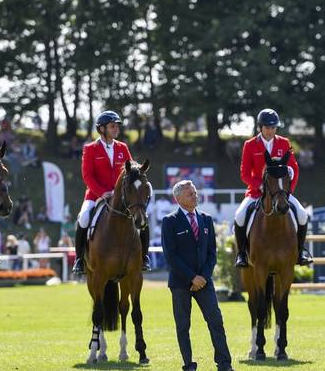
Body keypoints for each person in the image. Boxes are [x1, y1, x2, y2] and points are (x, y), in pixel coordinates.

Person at [161, 180, 233, 371]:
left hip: (205, 281)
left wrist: (203, 277)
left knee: (216, 321)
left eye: (195, 192)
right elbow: (171, 255)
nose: (195, 196)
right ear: (178, 198)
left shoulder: (206, 219)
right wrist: (192, 278)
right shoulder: (170, 221)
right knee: (183, 326)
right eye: (190, 194)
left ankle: (224, 364)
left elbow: (212, 253)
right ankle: (189, 364)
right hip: (180, 283)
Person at [72, 110, 151, 275]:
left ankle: (144, 257)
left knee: (143, 218)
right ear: (102, 129)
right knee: (84, 217)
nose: (116, 129)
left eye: (117, 127)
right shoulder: (90, 149)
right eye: (112, 126)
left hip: (121, 196)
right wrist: (102, 193)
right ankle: (79, 259)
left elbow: (132, 170)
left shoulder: (123, 147)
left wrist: (140, 174)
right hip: (96, 195)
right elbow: (87, 176)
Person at [233, 108, 312, 268]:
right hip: (256, 193)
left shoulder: (284, 143)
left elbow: (294, 169)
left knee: (302, 215)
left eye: (273, 127)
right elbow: (245, 173)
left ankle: (300, 251)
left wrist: (288, 191)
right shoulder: (250, 145)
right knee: (239, 216)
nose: (270, 130)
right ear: (260, 127)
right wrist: (260, 185)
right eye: (267, 127)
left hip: (281, 193)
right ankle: (241, 254)